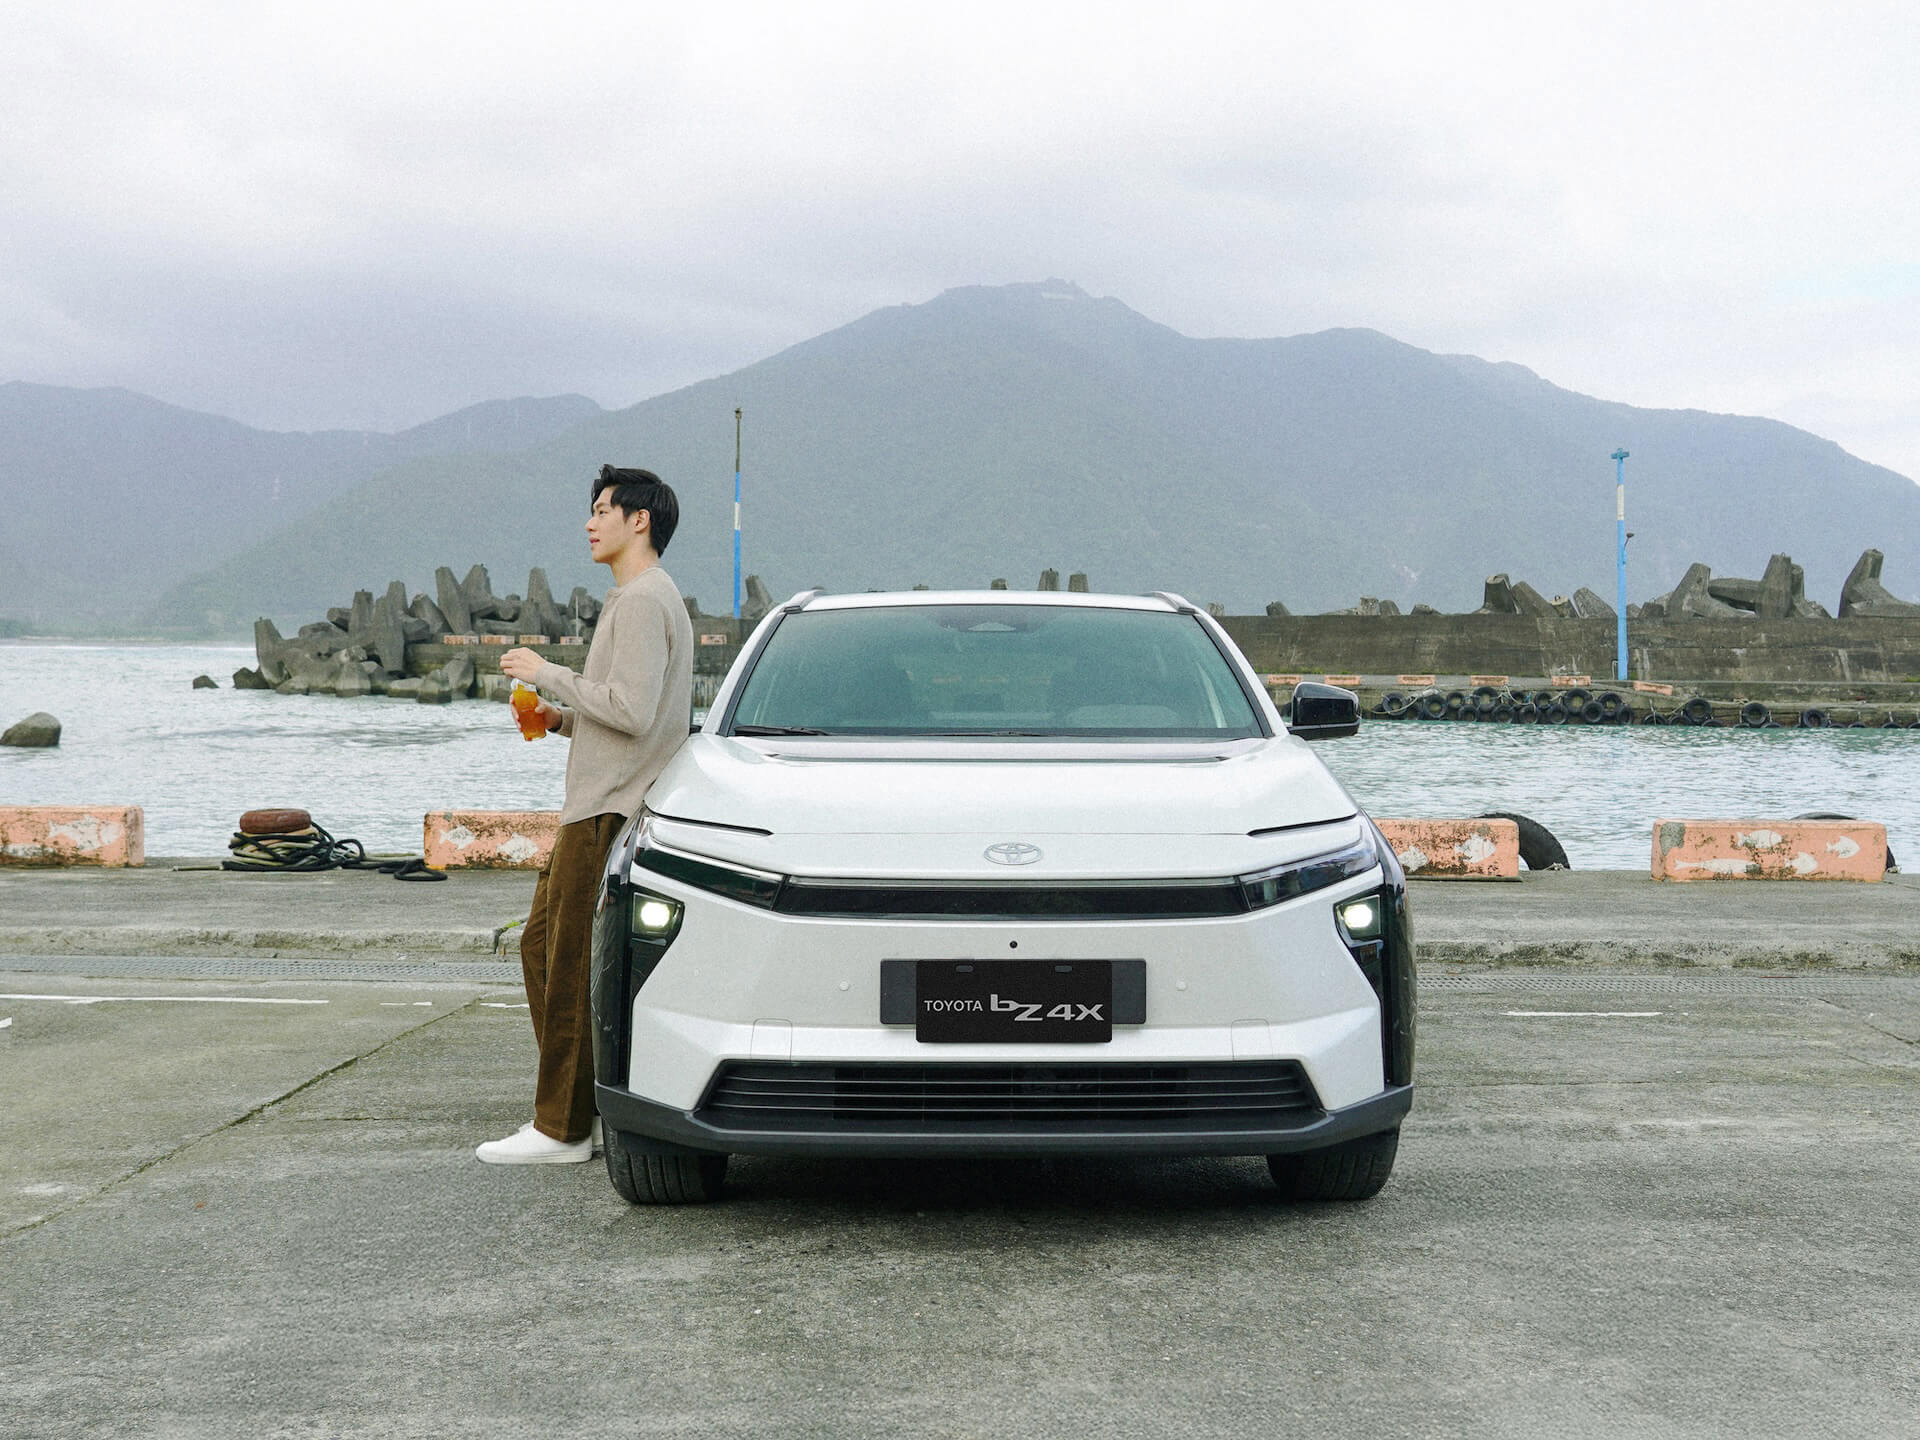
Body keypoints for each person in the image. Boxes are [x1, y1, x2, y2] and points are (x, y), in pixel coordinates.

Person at [475, 465, 693, 1164]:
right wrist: (559, 718)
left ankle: (561, 1128)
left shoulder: (643, 600)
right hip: (596, 802)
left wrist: (546, 673)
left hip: (608, 807)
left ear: (640, 520)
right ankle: (581, 1110)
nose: (590, 522)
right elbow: (627, 711)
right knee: (541, 946)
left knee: (569, 963)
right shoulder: (637, 597)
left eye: (603, 510)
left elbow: (632, 711)